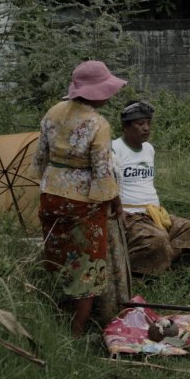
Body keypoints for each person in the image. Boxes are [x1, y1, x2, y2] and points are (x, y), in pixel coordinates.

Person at [34, 60, 126, 338]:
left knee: (60, 259)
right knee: (86, 268)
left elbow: (40, 158)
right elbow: (102, 171)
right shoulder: (98, 123)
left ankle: (55, 316)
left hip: (51, 196)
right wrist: (115, 202)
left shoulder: (53, 112)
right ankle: (76, 332)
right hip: (82, 203)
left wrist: (52, 182)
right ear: (98, 92)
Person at [111, 100, 190, 275]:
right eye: (140, 124)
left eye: (148, 123)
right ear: (125, 127)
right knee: (157, 239)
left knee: (188, 228)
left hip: (154, 213)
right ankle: (132, 270)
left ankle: (160, 263)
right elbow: (109, 186)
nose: (146, 128)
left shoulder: (149, 149)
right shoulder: (114, 149)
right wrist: (119, 211)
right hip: (130, 215)